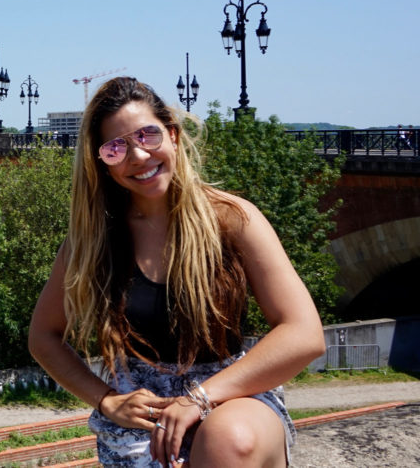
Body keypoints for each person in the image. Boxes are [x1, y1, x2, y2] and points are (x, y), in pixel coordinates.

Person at [29, 77, 325, 467]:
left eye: (148, 135)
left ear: (172, 135)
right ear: (101, 163)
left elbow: (304, 334)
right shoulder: (93, 241)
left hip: (232, 397)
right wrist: (106, 400)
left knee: (227, 441)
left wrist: (199, 398)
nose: (138, 155)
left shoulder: (232, 220)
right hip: (144, 419)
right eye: (116, 147)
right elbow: (43, 336)